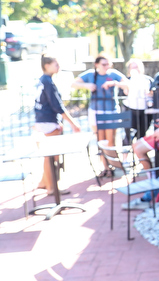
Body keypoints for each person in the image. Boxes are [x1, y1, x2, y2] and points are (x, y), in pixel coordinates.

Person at [72, 54, 127, 175]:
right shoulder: (91, 74)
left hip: (111, 110)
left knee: (111, 140)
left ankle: (113, 165)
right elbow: (74, 83)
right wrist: (87, 86)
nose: (107, 66)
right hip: (96, 111)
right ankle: (105, 167)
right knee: (101, 140)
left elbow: (127, 84)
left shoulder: (113, 74)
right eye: (104, 64)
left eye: (108, 64)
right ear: (97, 65)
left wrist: (115, 84)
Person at [34, 54, 82, 195]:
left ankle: (44, 182)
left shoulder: (43, 80)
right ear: (47, 65)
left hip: (42, 120)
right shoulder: (48, 81)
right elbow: (57, 106)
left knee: (49, 155)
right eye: (56, 64)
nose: (58, 66)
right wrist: (73, 123)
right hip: (48, 121)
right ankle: (51, 187)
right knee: (51, 156)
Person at [122, 59, 153, 143]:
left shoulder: (148, 80)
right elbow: (123, 94)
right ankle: (126, 155)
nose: (136, 69)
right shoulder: (126, 80)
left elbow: (152, 93)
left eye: (137, 67)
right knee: (128, 136)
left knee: (142, 135)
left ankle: (139, 153)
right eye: (133, 67)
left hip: (144, 111)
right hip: (130, 110)